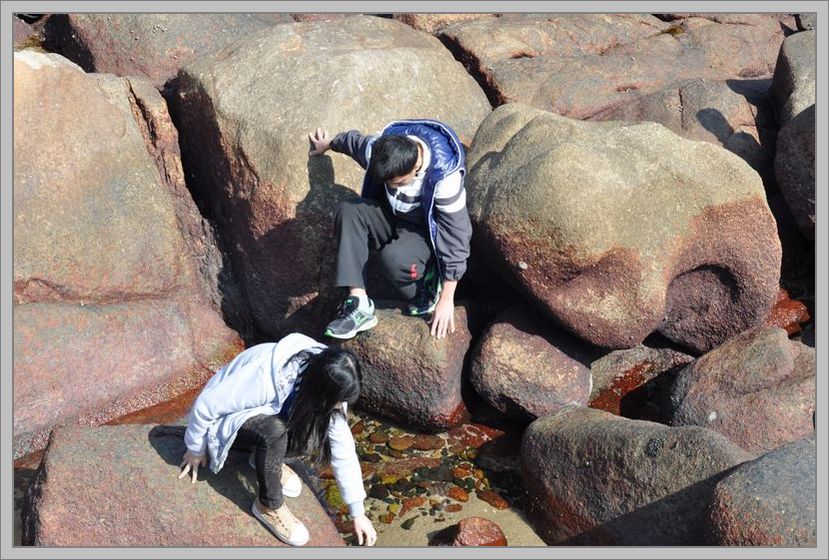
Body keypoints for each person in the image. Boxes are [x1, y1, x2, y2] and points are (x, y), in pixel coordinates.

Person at [178, 333, 377, 547]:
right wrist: (196, 448)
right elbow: (208, 404)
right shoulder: (265, 376)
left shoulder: (327, 382)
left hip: (265, 419)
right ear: (321, 391)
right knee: (275, 431)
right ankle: (268, 506)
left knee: (314, 432)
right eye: (337, 402)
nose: (340, 407)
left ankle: (263, 459)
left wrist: (358, 512)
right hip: (224, 423)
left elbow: (343, 449)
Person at [308, 119, 472, 341]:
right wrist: (329, 144)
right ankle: (359, 304)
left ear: (416, 168)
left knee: (393, 259)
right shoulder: (382, 149)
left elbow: (456, 237)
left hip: (424, 230)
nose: (392, 186)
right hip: (392, 214)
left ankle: (429, 285)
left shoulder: (444, 178)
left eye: (398, 183)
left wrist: (447, 298)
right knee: (349, 210)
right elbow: (355, 143)